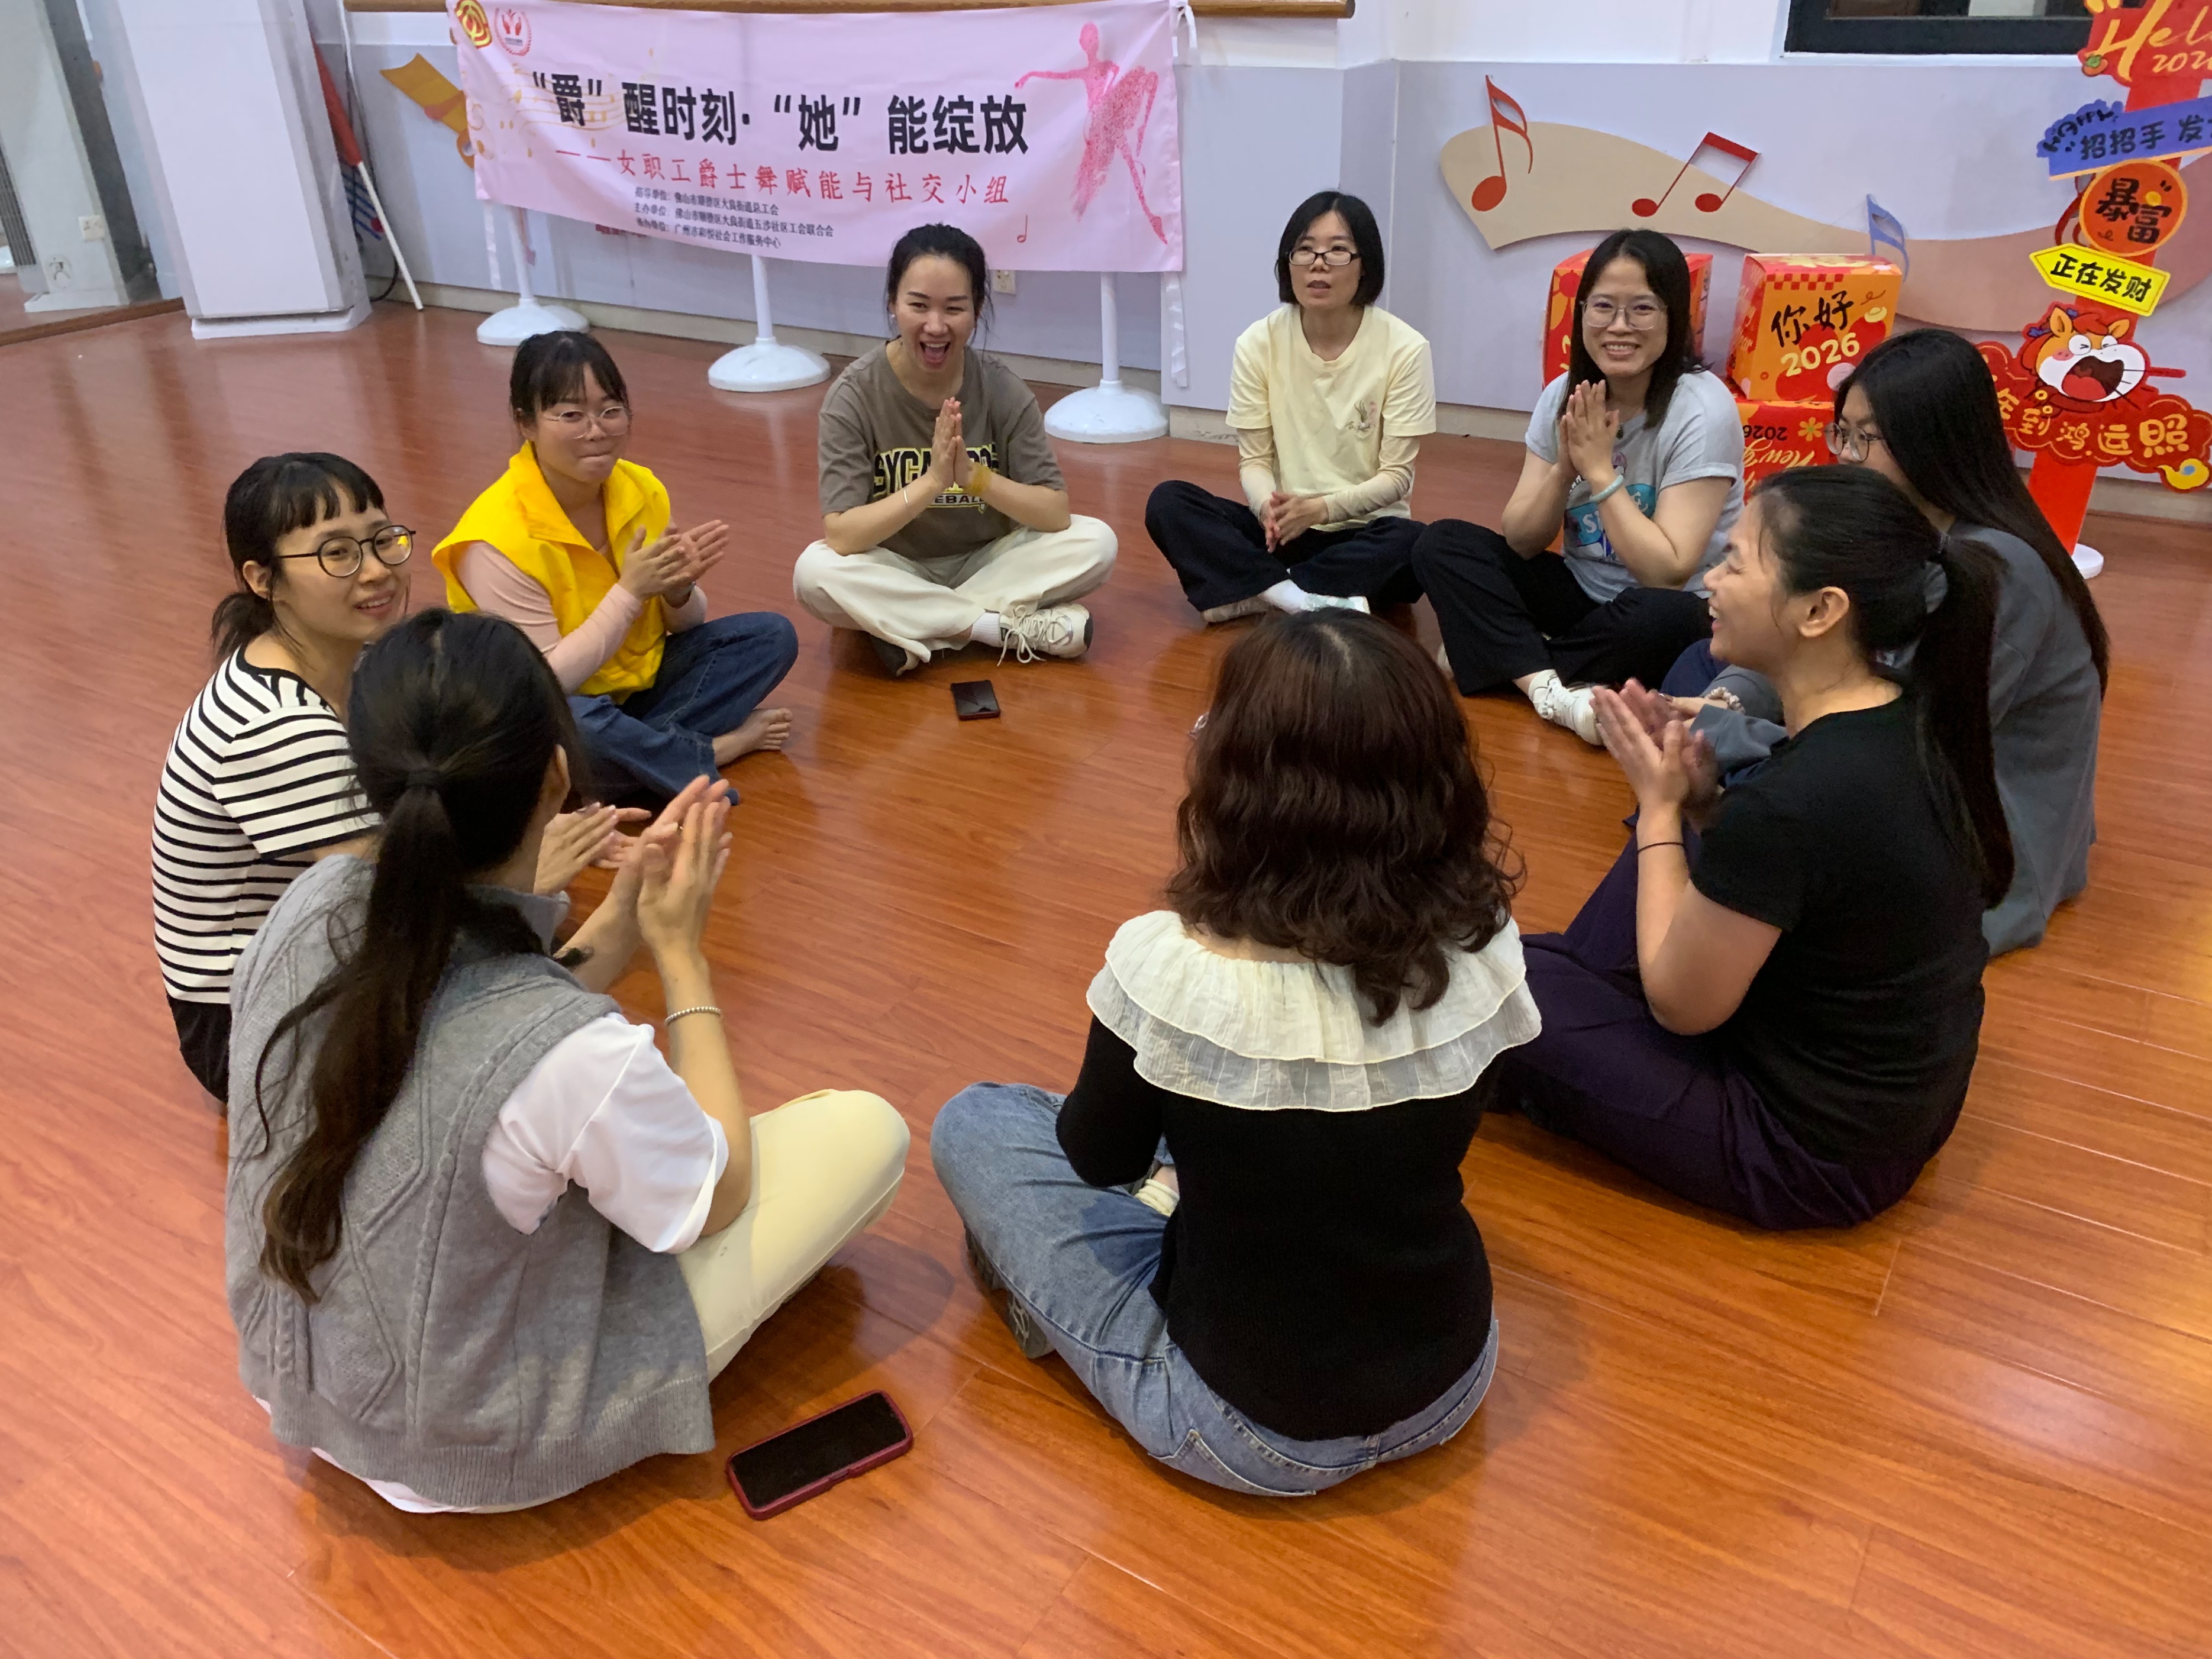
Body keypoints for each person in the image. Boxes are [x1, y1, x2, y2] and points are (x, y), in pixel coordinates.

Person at [226, 610, 909, 1513]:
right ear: (556, 773)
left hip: (291, 1374)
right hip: (465, 1445)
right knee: (868, 1131)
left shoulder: (314, 901)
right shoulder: (567, 1048)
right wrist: (681, 958)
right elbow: (715, 1197)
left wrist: (620, 914)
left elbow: (467, 1022)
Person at [931, 611, 1538, 1496]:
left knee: (978, 1118)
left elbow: (1096, 1159)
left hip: (1244, 1427)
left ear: (1238, 779)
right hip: (1453, 1376)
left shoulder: (1173, 971)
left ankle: (1088, 1297)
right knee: (1245, 1127)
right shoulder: (1482, 947)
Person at [1490, 468, 2009, 1229]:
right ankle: (1566, 1035)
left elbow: (1680, 1007)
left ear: (1820, 609)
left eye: (1735, 560)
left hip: (1803, 1155)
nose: (1710, 576)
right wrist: (1701, 804)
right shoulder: (1911, 712)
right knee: (1540, 962)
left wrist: (1661, 804)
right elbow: (1808, 875)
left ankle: (1551, 1053)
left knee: (1484, 976)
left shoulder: (1797, 798)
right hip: (1889, 1111)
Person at [154, 454, 638, 1102]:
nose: (377, 569)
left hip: (322, 951)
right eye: (337, 553)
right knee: (518, 1009)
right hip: (249, 1028)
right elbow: (399, 910)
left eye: (382, 539)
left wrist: (528, 824)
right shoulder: (275, 726)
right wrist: (528, 869)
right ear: (263, 579)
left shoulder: (351, 664)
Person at [1659, 328, 2106, 954]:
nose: (1845, 455)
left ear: (1934, 442)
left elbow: (1908, 757)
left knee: (1717, 806)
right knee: (1700, 662)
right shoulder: (1892, 524)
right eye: (1841, 432)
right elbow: (1802, 629)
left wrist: (1724, 733)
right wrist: (1726, 701)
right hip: (1887, 752)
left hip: (1973, 837)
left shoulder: (2000, 573)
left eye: (1864, 439)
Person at [432, 331, 799, 806]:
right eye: (570, 415)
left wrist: (678, 591)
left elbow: (686, 626)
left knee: (769, 637)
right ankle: (711, 752)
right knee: (575, 726)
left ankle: (639, 756)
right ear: (525, 423)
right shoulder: (493, 538)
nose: (596, 431)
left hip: (634, 687)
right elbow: (547, 682)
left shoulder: (640, 487)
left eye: (610, 411)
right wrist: (630, 592)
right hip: (553, 705)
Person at [1412, 229, 1743, 744]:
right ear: (1581, 312)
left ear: (1674, 317)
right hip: (1582, 592)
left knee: (1667, 617)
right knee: (1441, 543)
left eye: (1642, 309)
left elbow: (1666, 573)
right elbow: (1522, 540)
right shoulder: (1562, 396)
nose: (1619, 326)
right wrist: (1563, 469)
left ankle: (1509, 660)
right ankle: (1553, 687)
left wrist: (1599, 472)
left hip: (1661, 606)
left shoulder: (1702, 409)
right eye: (1603, 307)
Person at [795, 223, 1118, 674]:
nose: (935, 326)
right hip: (895, 567)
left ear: (977, 310)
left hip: (988, 562)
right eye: (918, 305)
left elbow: (1054, 513)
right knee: (814, 575)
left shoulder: (1002, 389)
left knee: (1097, 542)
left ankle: (915, 625)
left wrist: (974, 477)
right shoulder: (854, 396)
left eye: (953, 308)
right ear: (892, 303)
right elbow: (843, 535)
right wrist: (932, 482)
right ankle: (993, 628)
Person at [1144, 191, 1436, 623]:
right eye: (1305, 250)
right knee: (1169, 502)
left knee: (1416, 543)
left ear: (1365, 265)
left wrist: (1319, 509)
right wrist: (1269, 510)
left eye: (1338, 250)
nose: (1318, 264)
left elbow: (1396, 478)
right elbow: (1255, 461)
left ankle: (1257, 590)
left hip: (1364, 531)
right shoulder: (1257, 342)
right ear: (1288, 263)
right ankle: (1299, 597)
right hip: (1284, 531)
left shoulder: (1405, 348)